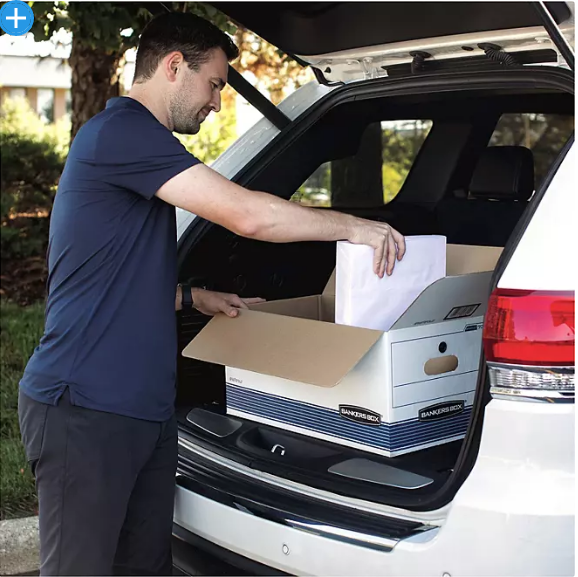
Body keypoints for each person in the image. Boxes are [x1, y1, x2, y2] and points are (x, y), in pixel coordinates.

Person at [18, 12, 406, 577]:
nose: (218, 102)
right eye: (215, 83)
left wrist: (190, 298)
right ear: (174, 67)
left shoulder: (136, 143)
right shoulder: (121, 132)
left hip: (143, 411)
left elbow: (104, 265)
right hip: (86, 409)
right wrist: (355, 227)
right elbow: (246, 216)